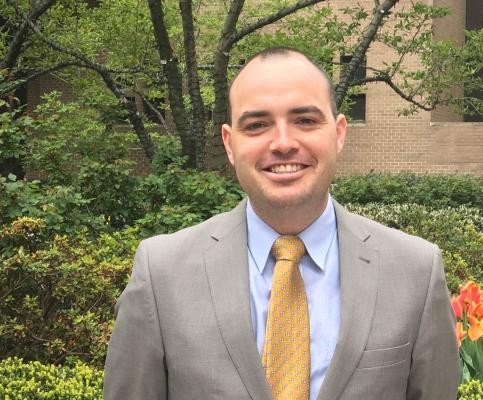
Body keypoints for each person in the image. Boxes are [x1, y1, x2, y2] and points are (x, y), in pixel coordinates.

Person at [103, 47, 459, 400]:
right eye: (257, 125)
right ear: (230, 144)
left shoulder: (416, 273)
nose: (284, 143)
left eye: (305, 120)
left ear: (338, 133)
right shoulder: (161, 274)